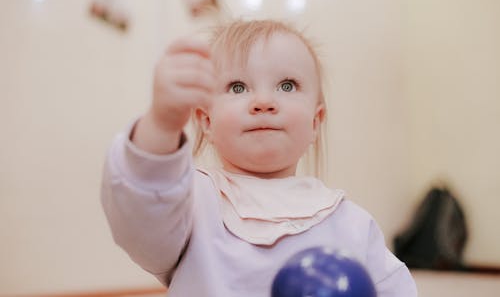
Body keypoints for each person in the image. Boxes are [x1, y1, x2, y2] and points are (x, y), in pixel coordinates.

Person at [101, 19, 417, 296]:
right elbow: (142, 217)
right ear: (207, 121)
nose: (263, 101)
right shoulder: (191, 201)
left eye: (287, 85)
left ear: (315, 123)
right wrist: (161, 123)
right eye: (238, 87)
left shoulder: (350, 222)